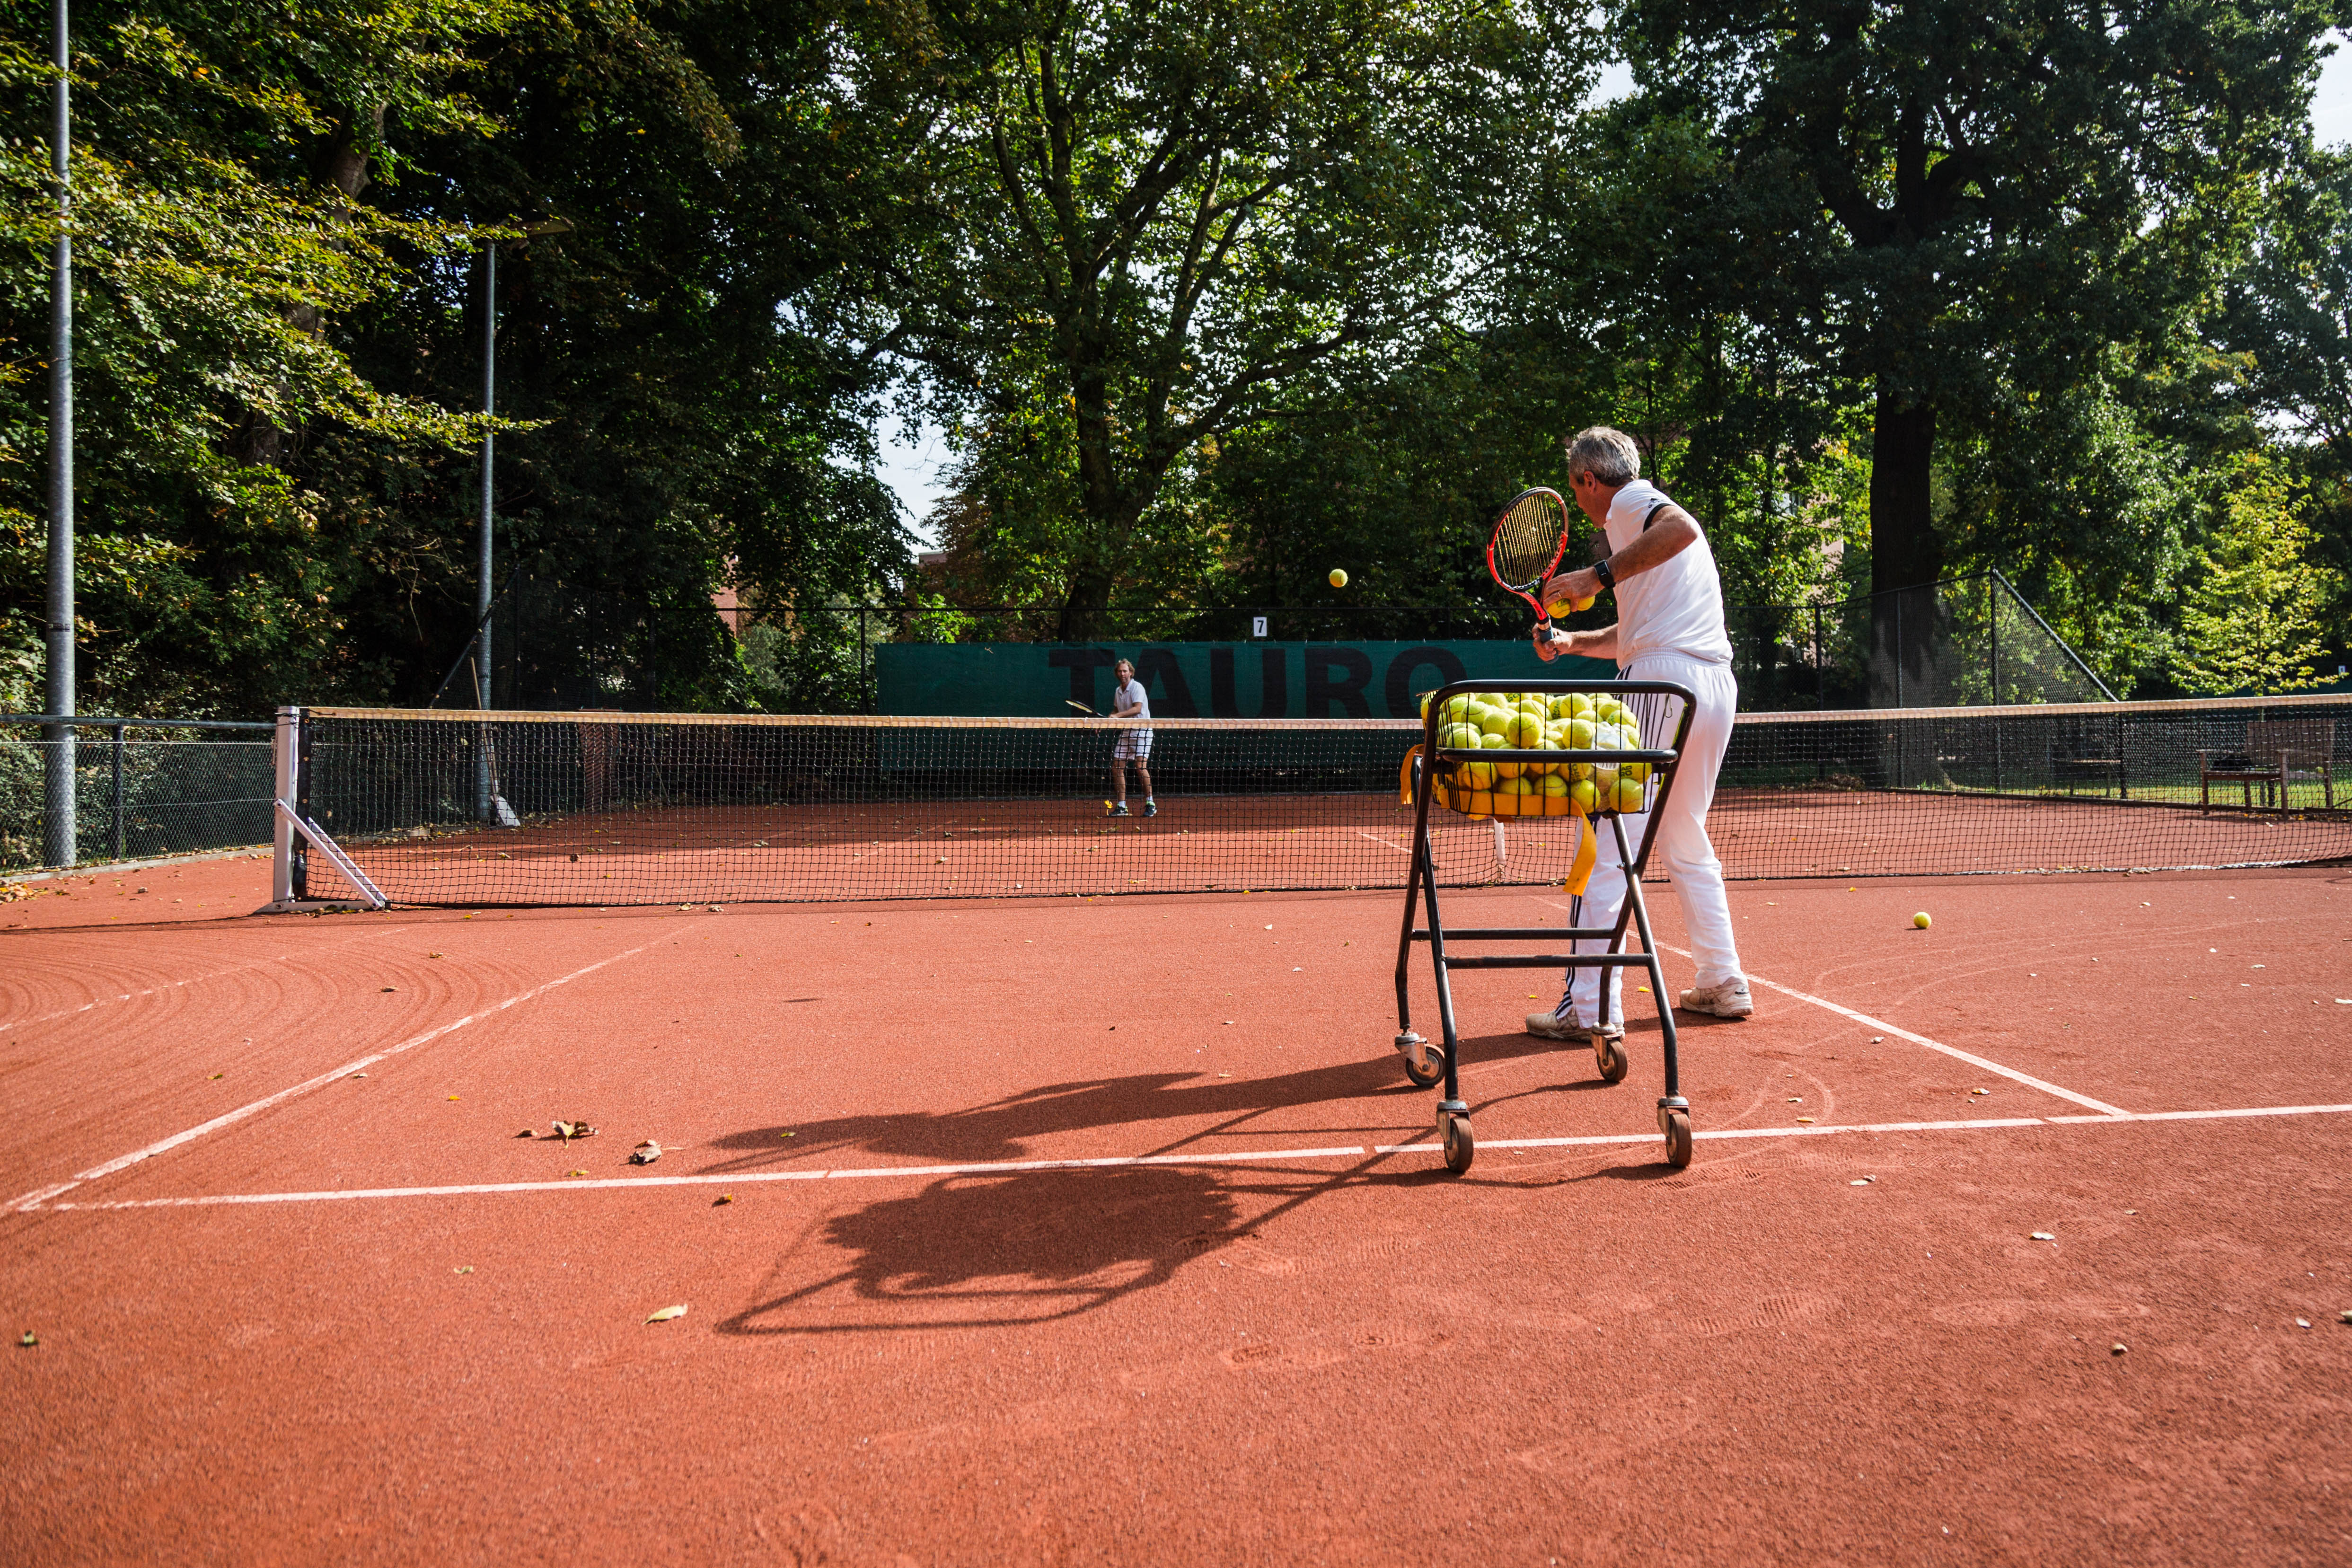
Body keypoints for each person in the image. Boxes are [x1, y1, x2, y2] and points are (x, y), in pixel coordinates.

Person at [1524, 426, 1752, 1048]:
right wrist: (1572, 641)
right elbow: (1637, 633)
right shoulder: (1640, 542)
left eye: (1578, 493)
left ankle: (1589, 1006)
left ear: (1587, 481)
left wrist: (1592, 577)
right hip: (1709, 686)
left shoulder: (1628, 504)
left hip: (1660, 685)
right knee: (1683, 832)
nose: (1581, 506)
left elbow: (1682, 529)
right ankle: (1722, 977)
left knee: (1608, 835)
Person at [1107, 658, 1156, 818]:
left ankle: (1150, 803)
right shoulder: (1118, 691)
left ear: (1131, 672)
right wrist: (1107, 720)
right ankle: (1122, 807)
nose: (1122, 674)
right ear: (1117, 673)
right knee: (1116, 767)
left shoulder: (1137, 687)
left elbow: (1137, 708)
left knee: (1140, 767)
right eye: (1120, 671)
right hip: (1127, 733)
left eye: (1125, 671)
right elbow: (1116, 709)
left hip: (1142, 731)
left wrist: (1118, 716)